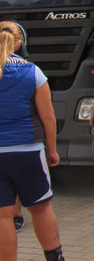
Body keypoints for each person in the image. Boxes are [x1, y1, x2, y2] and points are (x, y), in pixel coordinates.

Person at [0, 28, 66, 261]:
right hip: (28, 149)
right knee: (40, 207)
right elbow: (48, 116)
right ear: (18, 45)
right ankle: (55, 257)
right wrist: (52, 150)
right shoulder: (32, 71)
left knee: (3, 216)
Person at [0, 22, 29, 235]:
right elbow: (46, 114)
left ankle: (13, 214)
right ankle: (15, 215)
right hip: (23, 139)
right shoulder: (30, 71)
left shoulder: (25, 68)